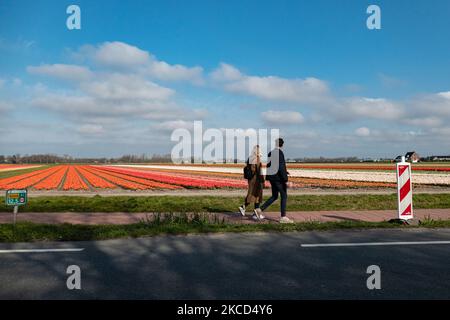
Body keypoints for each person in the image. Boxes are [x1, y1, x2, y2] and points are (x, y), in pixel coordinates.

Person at [255, 138, 294, 223]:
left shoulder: (270, 153)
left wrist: (270, 177)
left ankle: (259, 209)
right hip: (278, 179)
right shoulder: (280, 153)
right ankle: (283, 217)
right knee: (284, 195)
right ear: (282, 145)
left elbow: (269, 166)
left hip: (272, 178)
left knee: (275, 196)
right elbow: (280, 167)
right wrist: (286, 180)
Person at [239, 145, 265, 220]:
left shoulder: (250, 157)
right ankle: (256, 214)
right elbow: (256, 169)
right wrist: (262, 180)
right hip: (256, 180)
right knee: (257, 195)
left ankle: (243, 207)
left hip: (252, 180)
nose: (259, 151)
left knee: (253, 195)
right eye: (258, 150)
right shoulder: (256, 158)